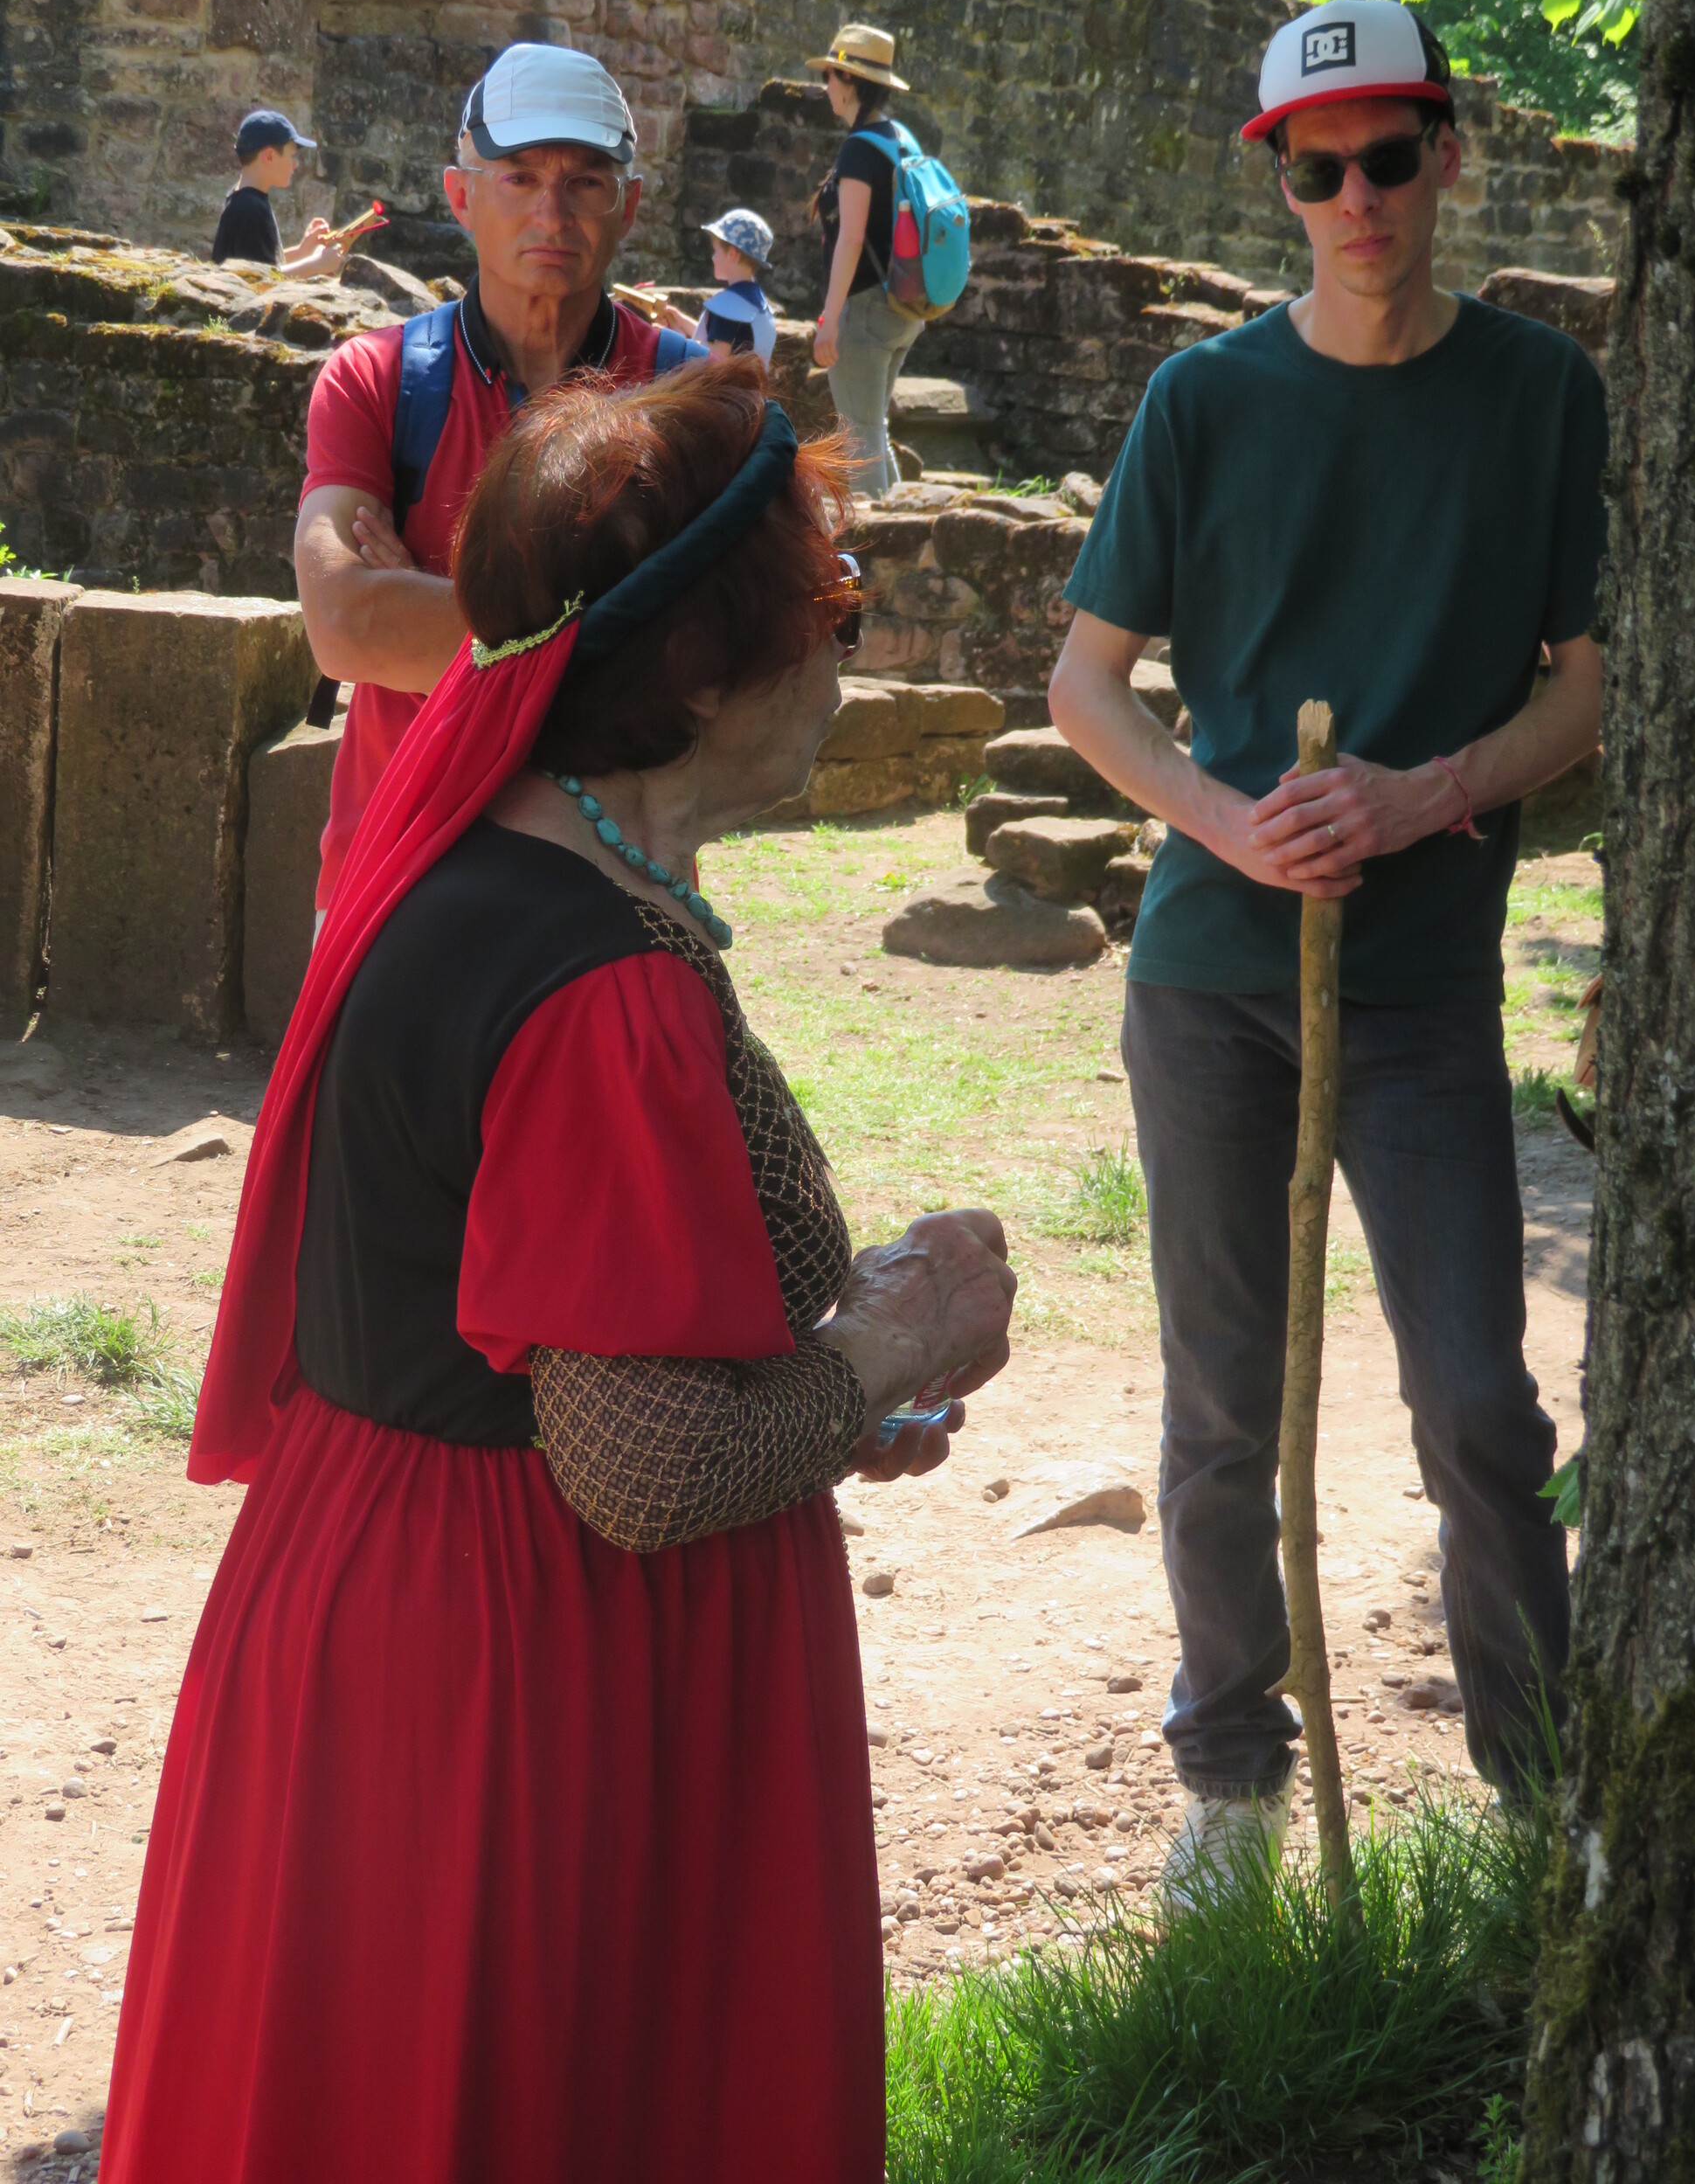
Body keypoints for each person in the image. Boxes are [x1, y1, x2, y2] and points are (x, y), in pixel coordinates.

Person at [99, 361, 1019, 2183]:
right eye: (831, 609)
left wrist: (812, 1381)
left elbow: (581, 1323)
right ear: (700, 671)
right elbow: (641, 1466)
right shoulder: (597, 988)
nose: (849, 653)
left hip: (382, 1609)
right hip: (512, 1681)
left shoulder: (480, 871)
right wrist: (887, 1345)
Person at [1048, 0, 1607, 1900]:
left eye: (1385, 157)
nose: (1354, 198)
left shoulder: (1540, 392)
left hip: (1424, 986)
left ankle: (1538, 1802)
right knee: (1222, 1403)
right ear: (1276, 184)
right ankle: (1229, 1783)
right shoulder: (1202, 400)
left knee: (1476, 1405)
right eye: (1316, 169)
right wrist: (1230, 822)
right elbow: (1085, 684)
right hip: (1210, 974)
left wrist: (1430, 790)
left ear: (1445, 155)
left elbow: (1584, 690)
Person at [294, 42, 707, 919]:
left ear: (629, 205)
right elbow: (342, 626)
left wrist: (424, 606)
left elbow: (713, 660)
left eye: (585, 182)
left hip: (615, 895)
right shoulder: (378, 382)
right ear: (461, 196)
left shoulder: (689, 399)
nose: (552, 212)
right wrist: (613, 627)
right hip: (398, 878)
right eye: (519, 177)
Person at [807, 24, 924, 496]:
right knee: (872, 428)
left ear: (850, 81)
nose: (825, 87)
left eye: (830, 76)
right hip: (904, 306)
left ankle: (875, 538)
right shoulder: (901, 138)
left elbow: (851, 240)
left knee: (858, 439)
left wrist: (829, 318)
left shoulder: (859, 149)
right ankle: (905, 521)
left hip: (865, 311)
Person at [211, 110, 346, 278]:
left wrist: (302, 251)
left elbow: (260, 264)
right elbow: (260, 280)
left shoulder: (243, 198)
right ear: (269, 157)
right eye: (292, 156)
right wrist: (317, 265)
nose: (295, 165)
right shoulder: (250, 210)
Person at [660, 208, 779, 364]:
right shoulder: (760, 306)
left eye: (716, 251)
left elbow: (713, 360)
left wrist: (673, 338)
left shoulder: (727, 306)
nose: (713, 257)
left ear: (732, 254)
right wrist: (680, 320)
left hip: (726, 381)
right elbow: (720, 338)